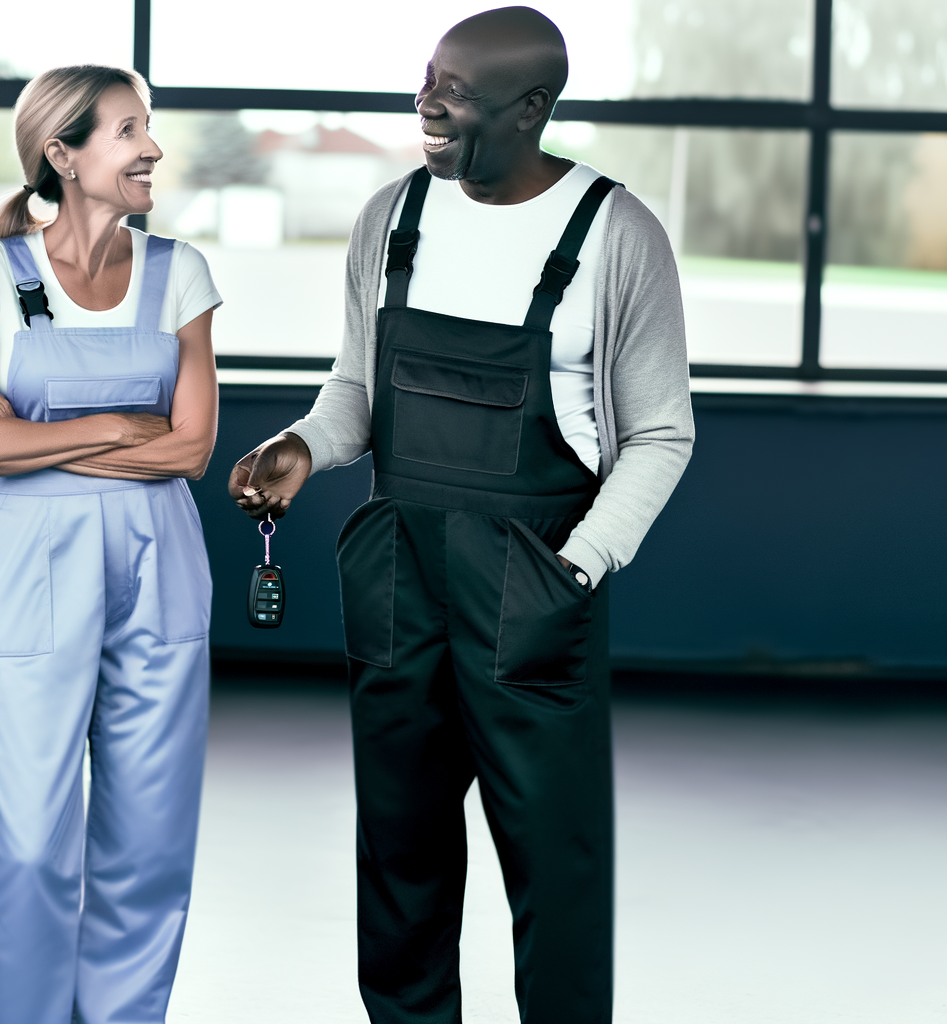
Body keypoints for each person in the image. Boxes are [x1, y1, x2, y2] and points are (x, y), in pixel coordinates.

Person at [228, 8, 693, 1022]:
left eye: (458, 90)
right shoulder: (393, 214)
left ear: (532, 108)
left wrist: (577, 569)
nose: (428, 104)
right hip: (400, 569)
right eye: (428, 76)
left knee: (554, 866)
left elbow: (660, 433)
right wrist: (305, 445)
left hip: (533, 576)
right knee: (399, 850)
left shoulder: (617, 234)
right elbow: (354, 387)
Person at [0, 64, 221, 1024]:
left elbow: (190, 448)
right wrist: (115, 421)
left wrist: (40, 438)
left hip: (161, 567)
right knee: (23, 838)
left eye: (150, 129)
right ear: (63, 154)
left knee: (149, 840)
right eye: (129, 131)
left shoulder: (182, 272)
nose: (153, 149)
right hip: (27, 573)